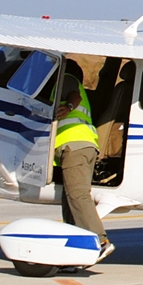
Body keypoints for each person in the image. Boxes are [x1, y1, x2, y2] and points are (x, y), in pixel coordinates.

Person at [54, 60, 113, 262]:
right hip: (82, 146)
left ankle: (100, 241)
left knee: (78, 195)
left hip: (74, 145)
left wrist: (68, 106)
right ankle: (76, 247)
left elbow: (74, 96)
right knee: (70, 198)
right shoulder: (69, 86)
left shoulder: (67, 80)